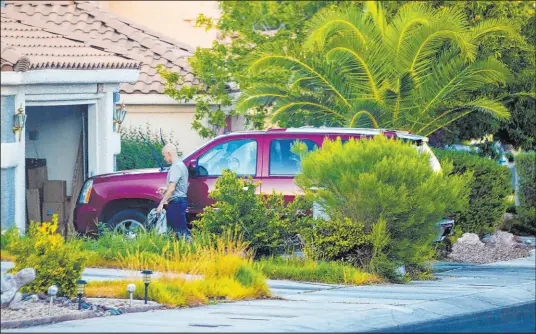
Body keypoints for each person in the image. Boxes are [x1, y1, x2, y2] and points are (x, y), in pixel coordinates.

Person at [156, 143, 190, 238]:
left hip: (177, 202)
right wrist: (166, 188)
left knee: (181, 232)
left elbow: (172, 188)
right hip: (180, 201)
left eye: (164, 156)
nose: (164, 158)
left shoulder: (176, 167)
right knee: (179, 231)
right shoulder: (181, 165)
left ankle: (191, 250)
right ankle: (185, 249)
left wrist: (161, 203)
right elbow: (180, 185)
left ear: (169, 153)